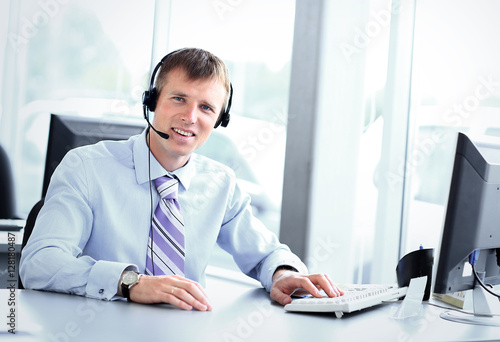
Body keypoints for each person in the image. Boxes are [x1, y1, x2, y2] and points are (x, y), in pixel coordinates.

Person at [20, 48, 343, 311]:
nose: (190, 117)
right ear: (152, 101)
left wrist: (282, 273)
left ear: (220, 119)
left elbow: (265, 253)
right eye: (179, 99)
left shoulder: (220, 184)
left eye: (206, 107)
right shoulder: (86, 168)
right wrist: (130, 282)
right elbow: (39, 263)